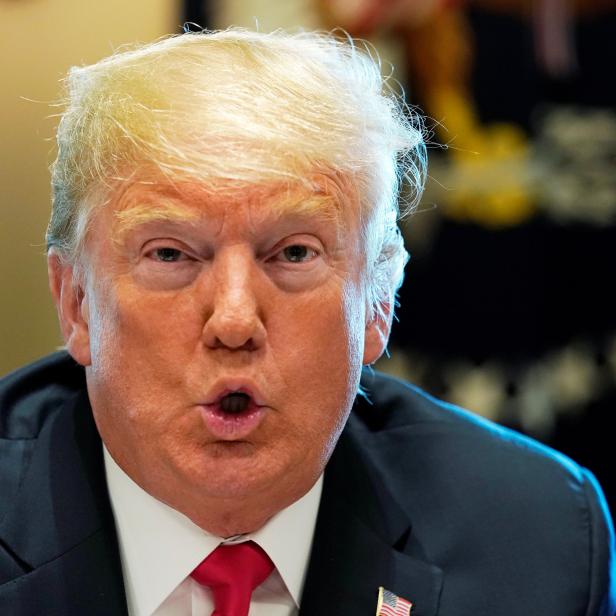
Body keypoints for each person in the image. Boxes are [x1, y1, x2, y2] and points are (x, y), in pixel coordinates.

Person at [0, 27, 613, 616]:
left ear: (377, 302)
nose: (235, 321)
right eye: (170, 254)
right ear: (76, 301)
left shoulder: (538, 541)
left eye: (294, 253)